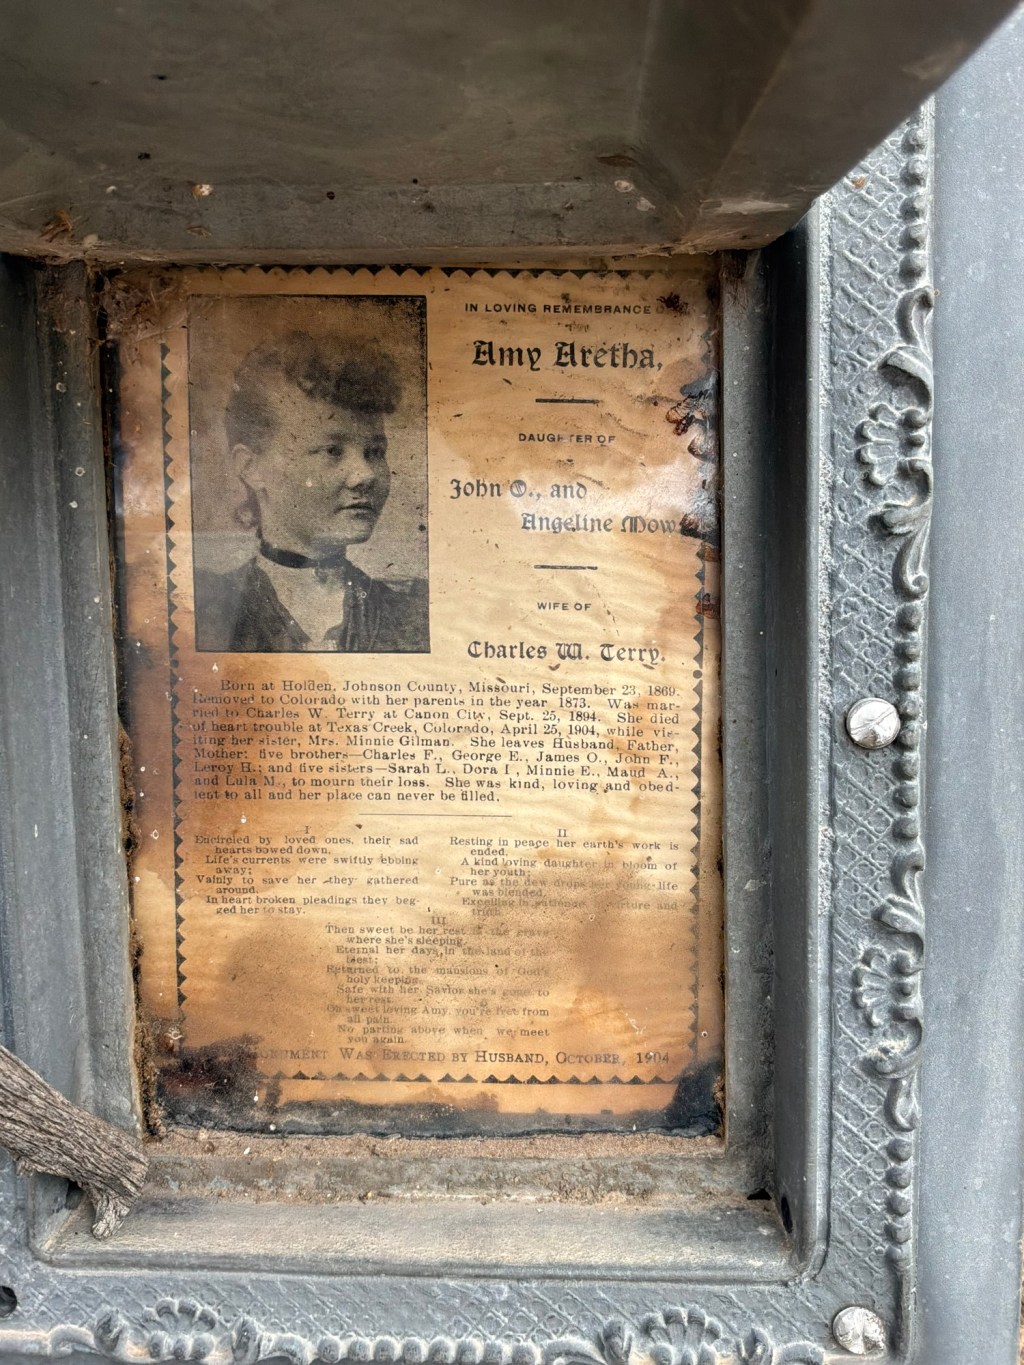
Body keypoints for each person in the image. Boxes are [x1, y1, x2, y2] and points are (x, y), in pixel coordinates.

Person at [194, 330, 429, 652]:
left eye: (375, 452)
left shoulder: (410, 613)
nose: (365, 475)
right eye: (332, 451)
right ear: (251, 467)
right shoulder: (207, 610)